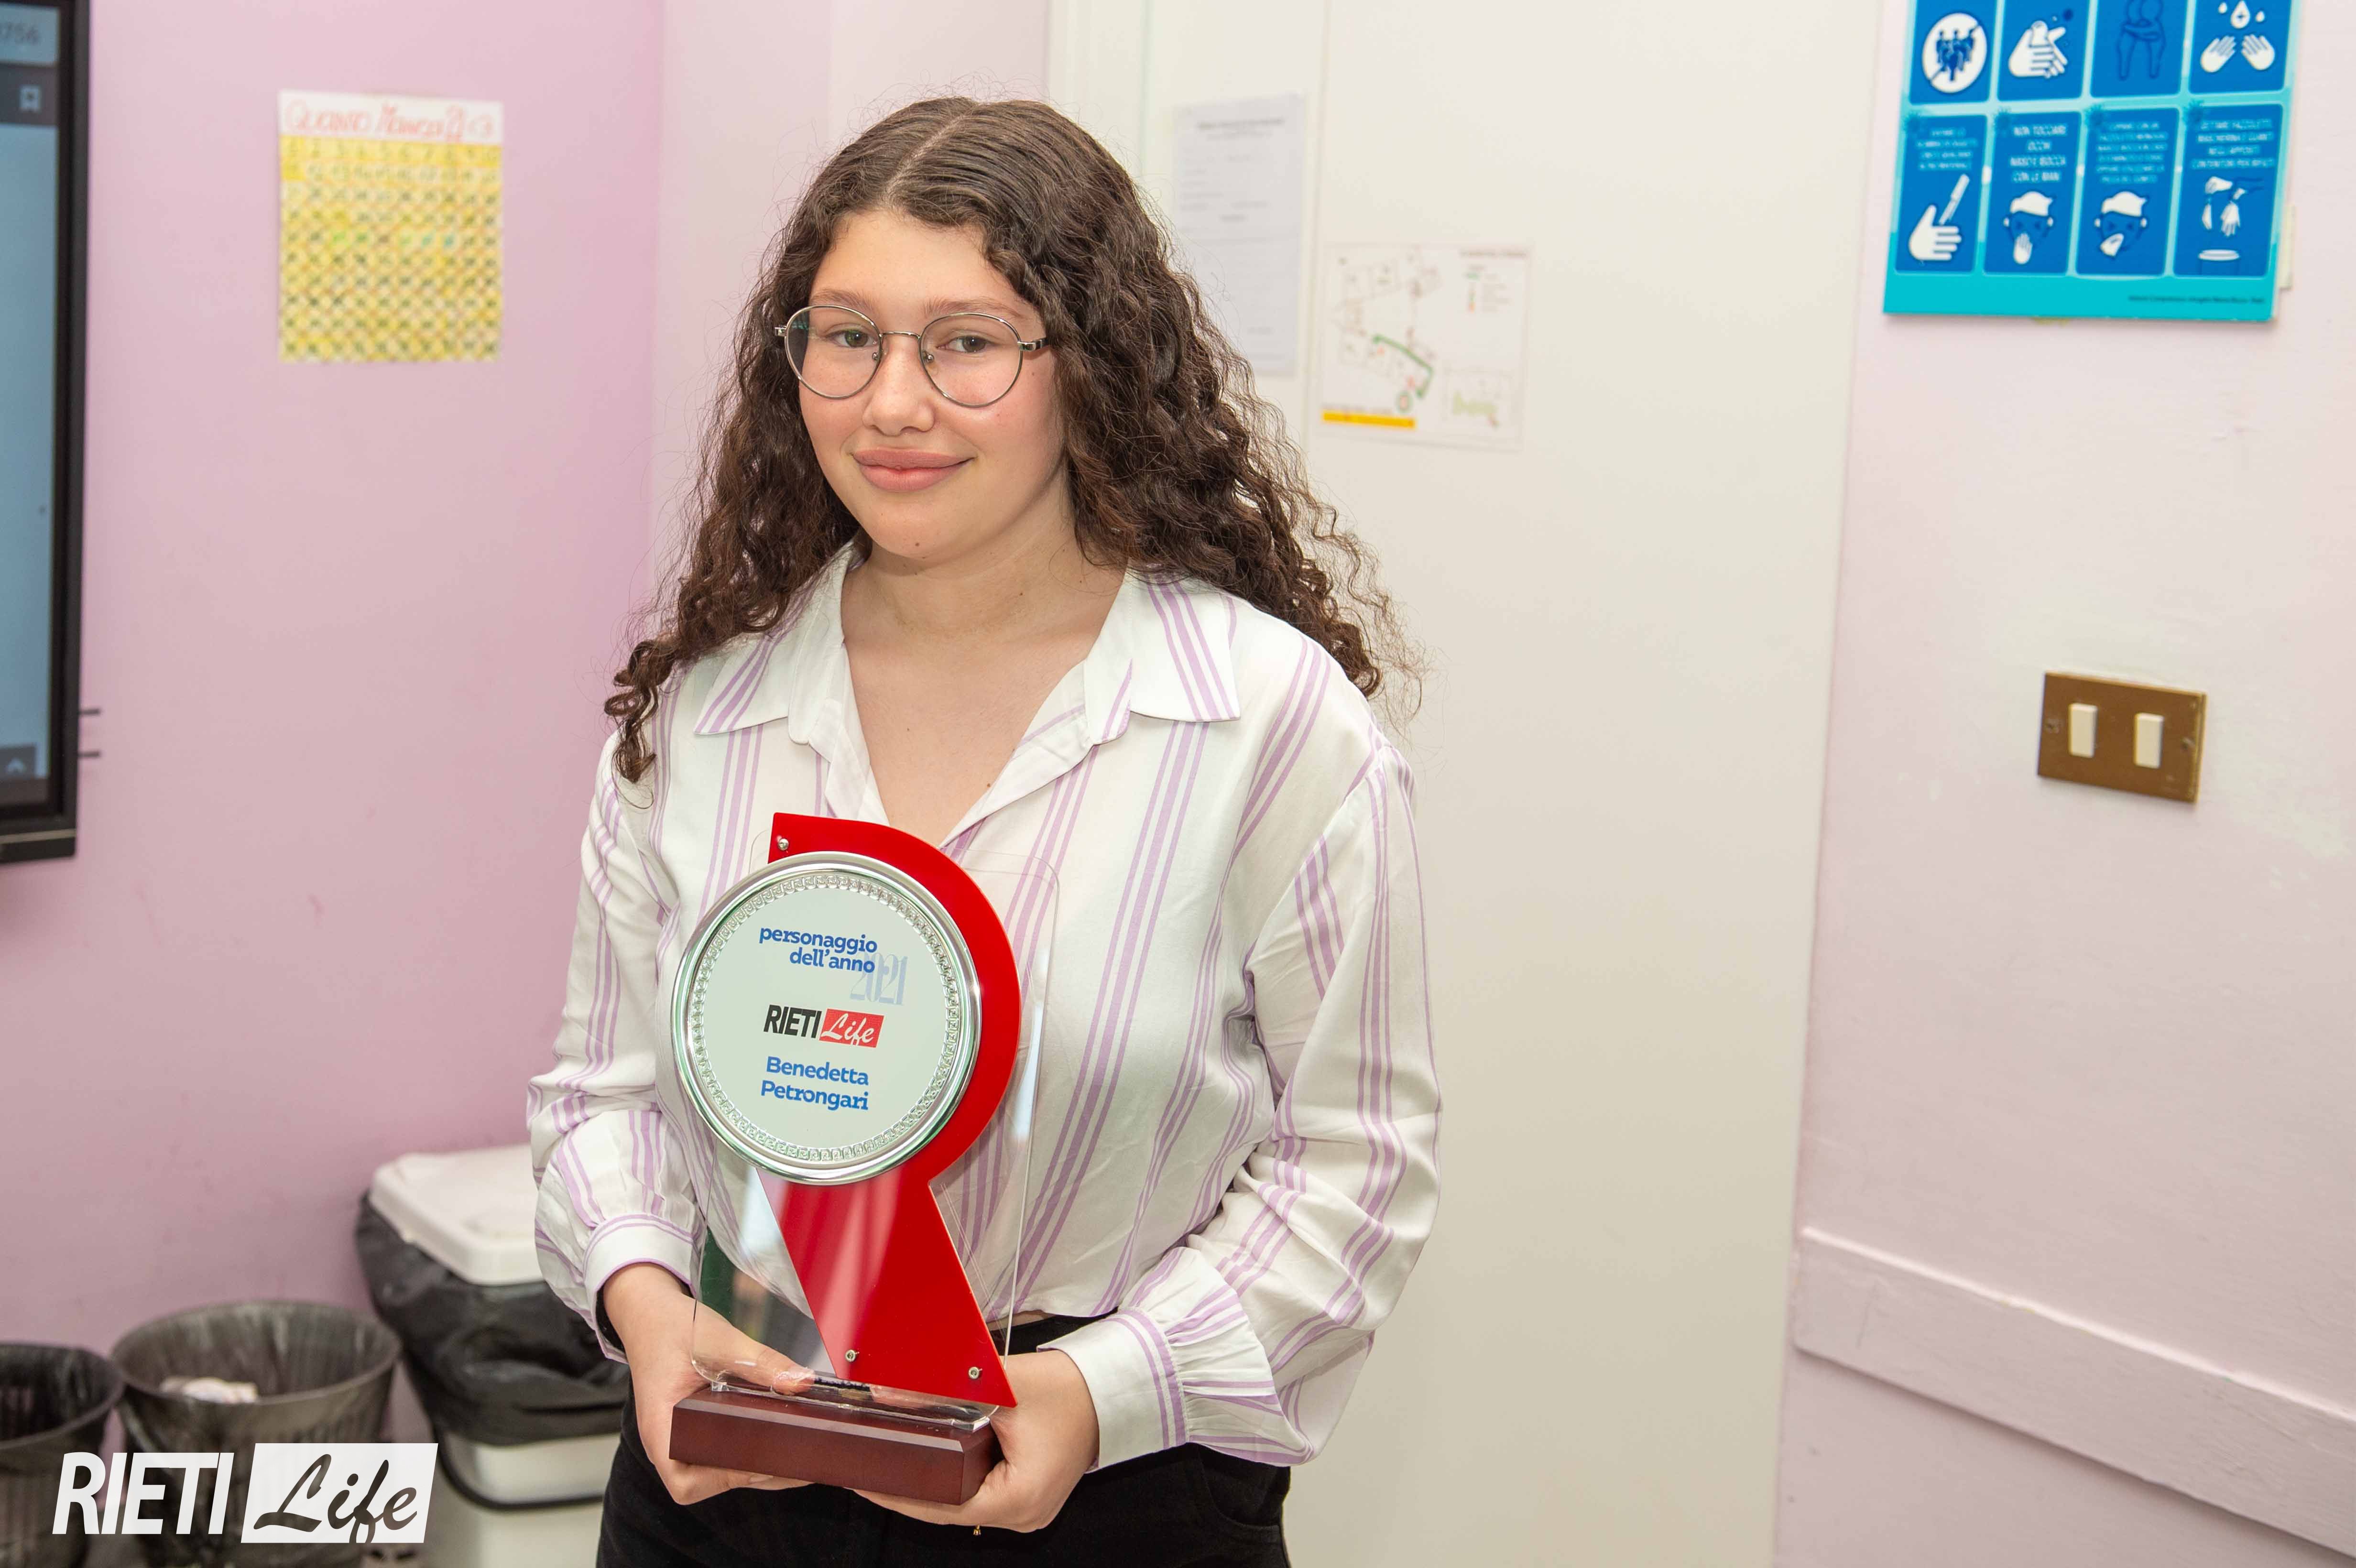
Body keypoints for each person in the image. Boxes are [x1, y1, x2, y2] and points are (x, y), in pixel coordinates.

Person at [527, 97, 1440, 1567]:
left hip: (1110, 1487)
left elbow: (1358, 1161)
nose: (893, 402)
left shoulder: (1264, 722)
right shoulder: (705, 711)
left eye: (967, 342)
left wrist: (1097, 1392)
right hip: (730, 1464)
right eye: (848, 336)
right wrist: (645, 1303)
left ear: (1095, 364)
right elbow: (603, 1094)